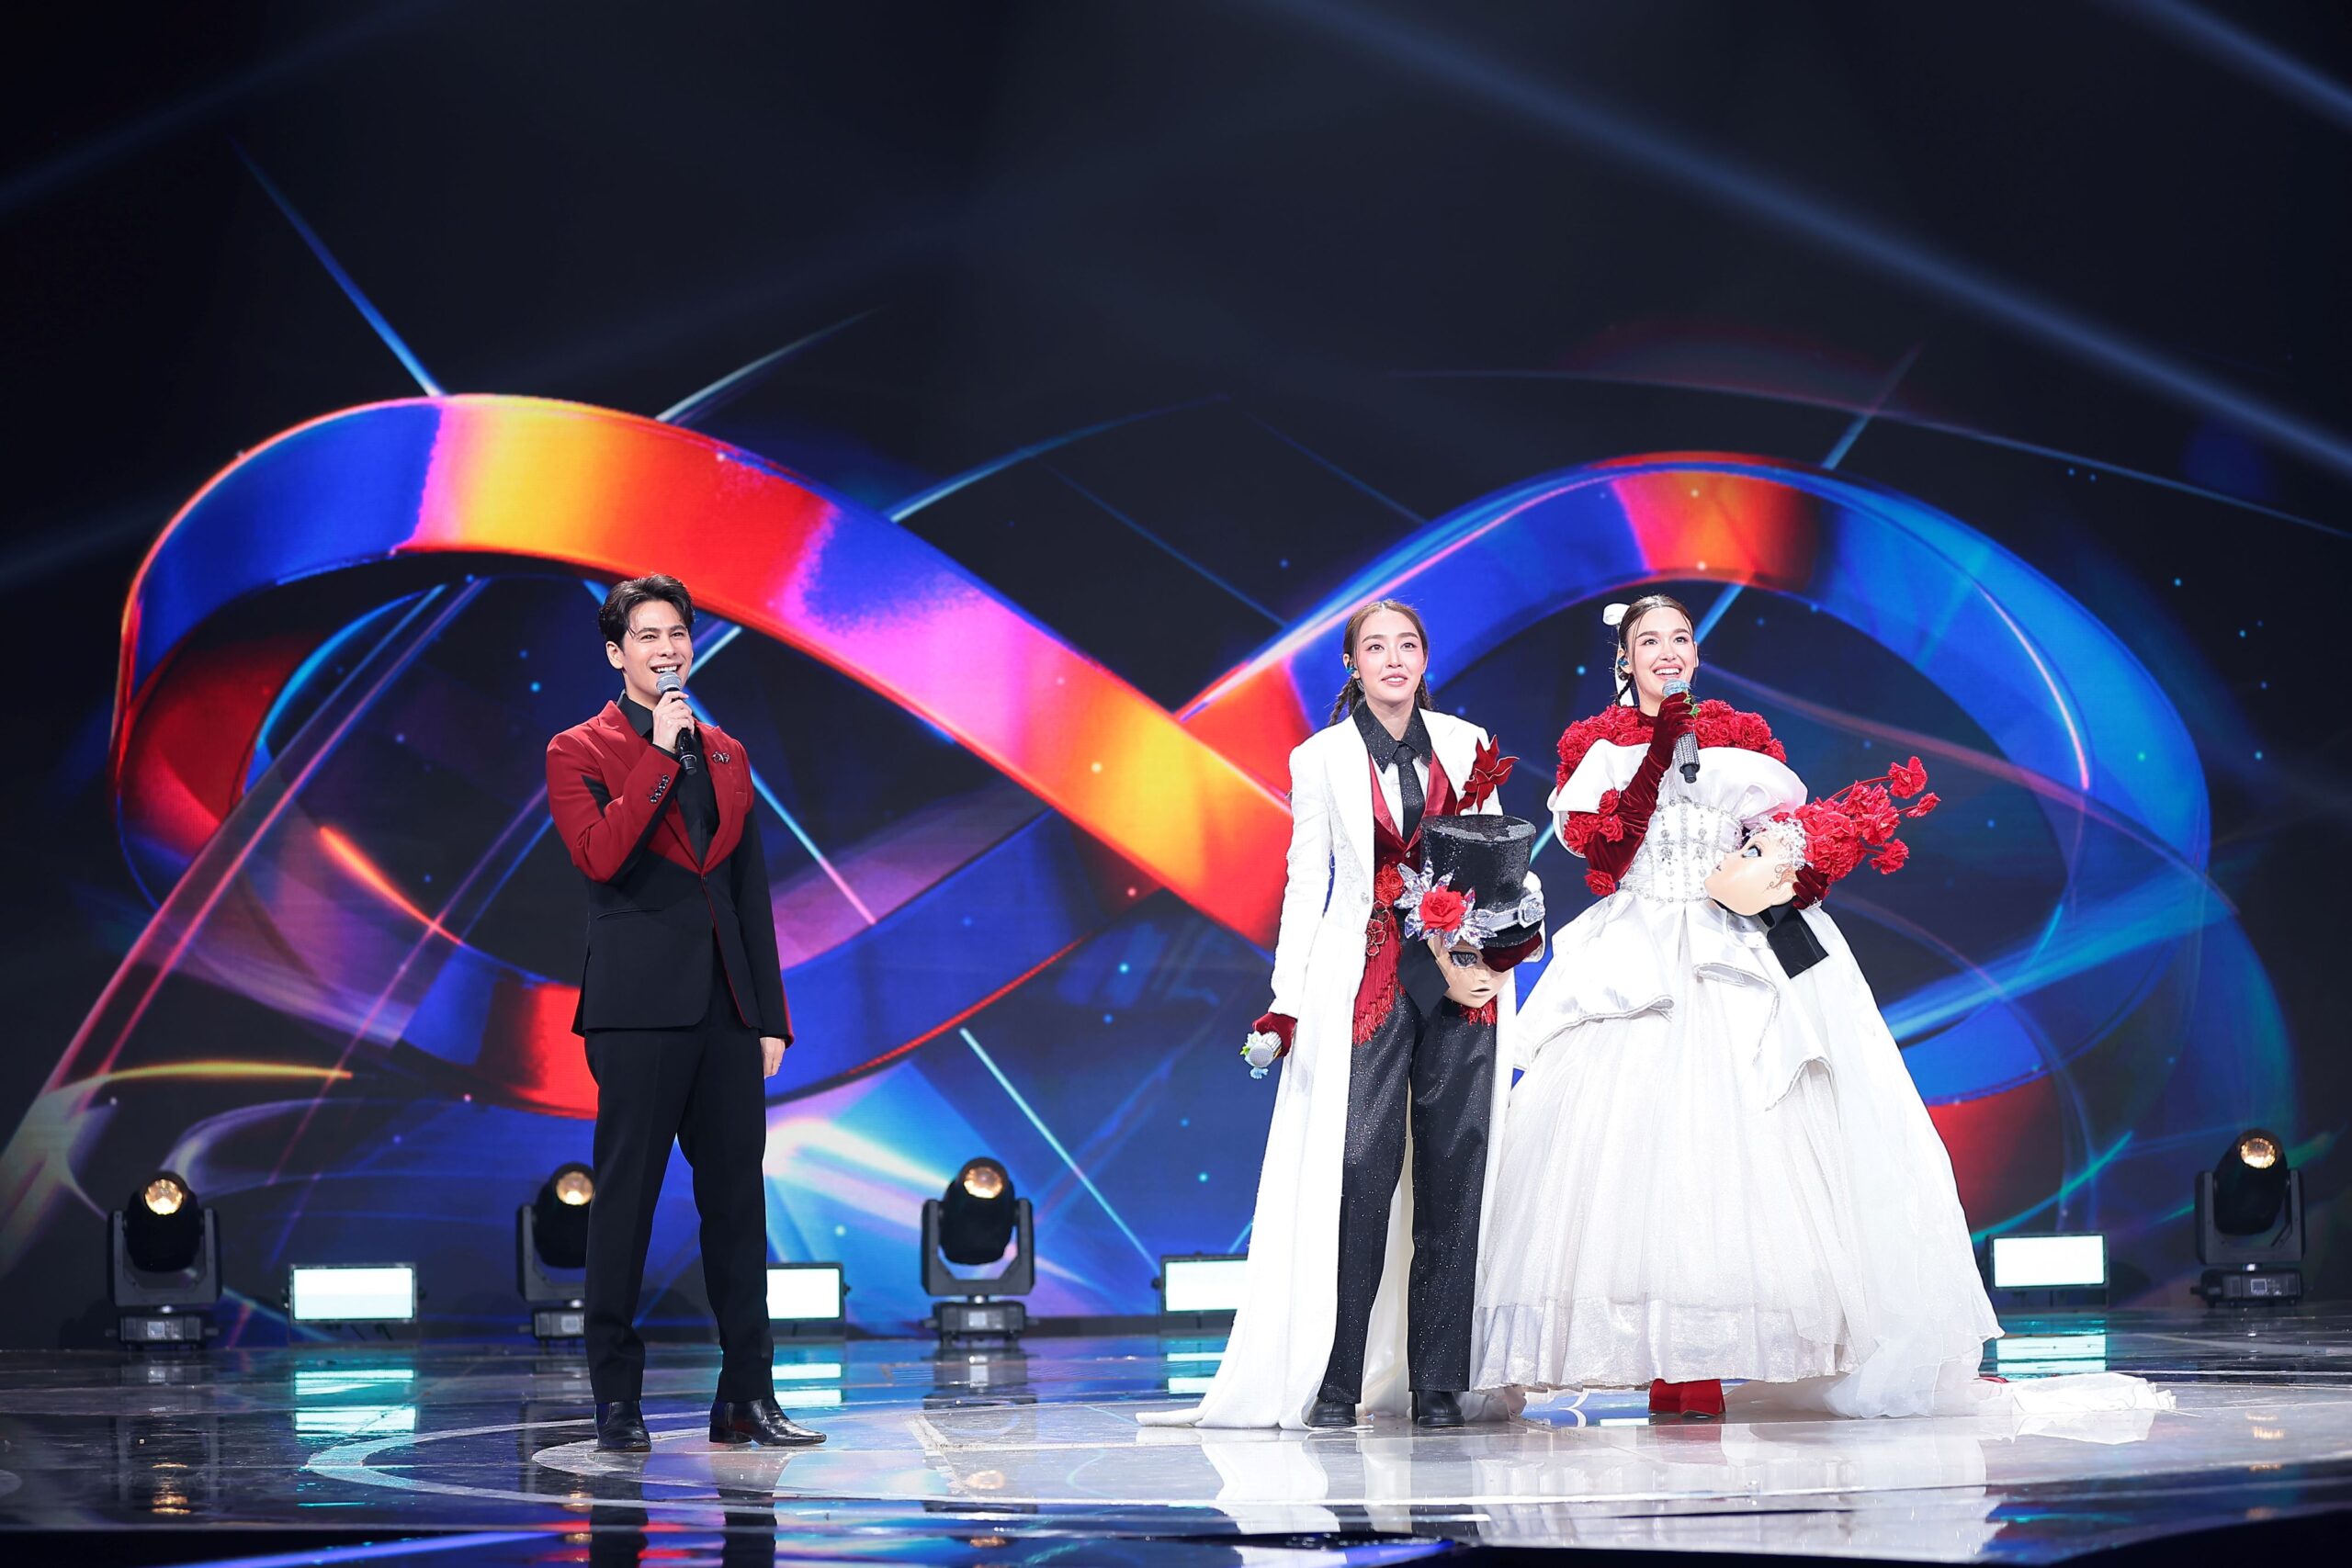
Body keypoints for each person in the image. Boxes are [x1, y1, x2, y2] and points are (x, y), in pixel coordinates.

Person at [1471, 592, 2007, 1418]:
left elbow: (1782, 840)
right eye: (1650, 641)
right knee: (1633, 1148)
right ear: (1625, 659)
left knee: (1753, 1135)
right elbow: (1605, 853)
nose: (1668, 652)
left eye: (1680, 638)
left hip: (1734, 943)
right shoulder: (1597, 743)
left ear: (1695, 650)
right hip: (1641, 945)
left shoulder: (1739, 734)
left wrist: (1796, 857)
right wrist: (1658, 745)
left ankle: (1728, 1357)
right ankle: (1662, 1363)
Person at [1143, 600, 1540, 1431]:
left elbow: (1498, 863)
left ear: (1425, 658)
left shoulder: (1466, 743)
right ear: (1353, 665)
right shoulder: (1319, 756)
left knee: (1456, 1169)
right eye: (1375, 646)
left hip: (1460, 978)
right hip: (1366, 977)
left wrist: (1496, 958)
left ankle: (1438, 1381)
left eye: (1407, 644)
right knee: (1358, 1169)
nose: (1393, 659)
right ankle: (1337, 1377)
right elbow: (1305, 885)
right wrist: (1285, 1002)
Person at [544, 574, 823, 1451]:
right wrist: (660, 757)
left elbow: (748, 890)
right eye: (648, 635)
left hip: (727, 1008)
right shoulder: (578, 748)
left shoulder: (727, 752)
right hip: (637, 1010)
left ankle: (747, 1395)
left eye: (677, 634)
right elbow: (601, 855)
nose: (667, 650)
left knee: (739, 1203)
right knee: (626, 1202)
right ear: (616, 652)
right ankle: (617, 1400)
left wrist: (769, 1015)